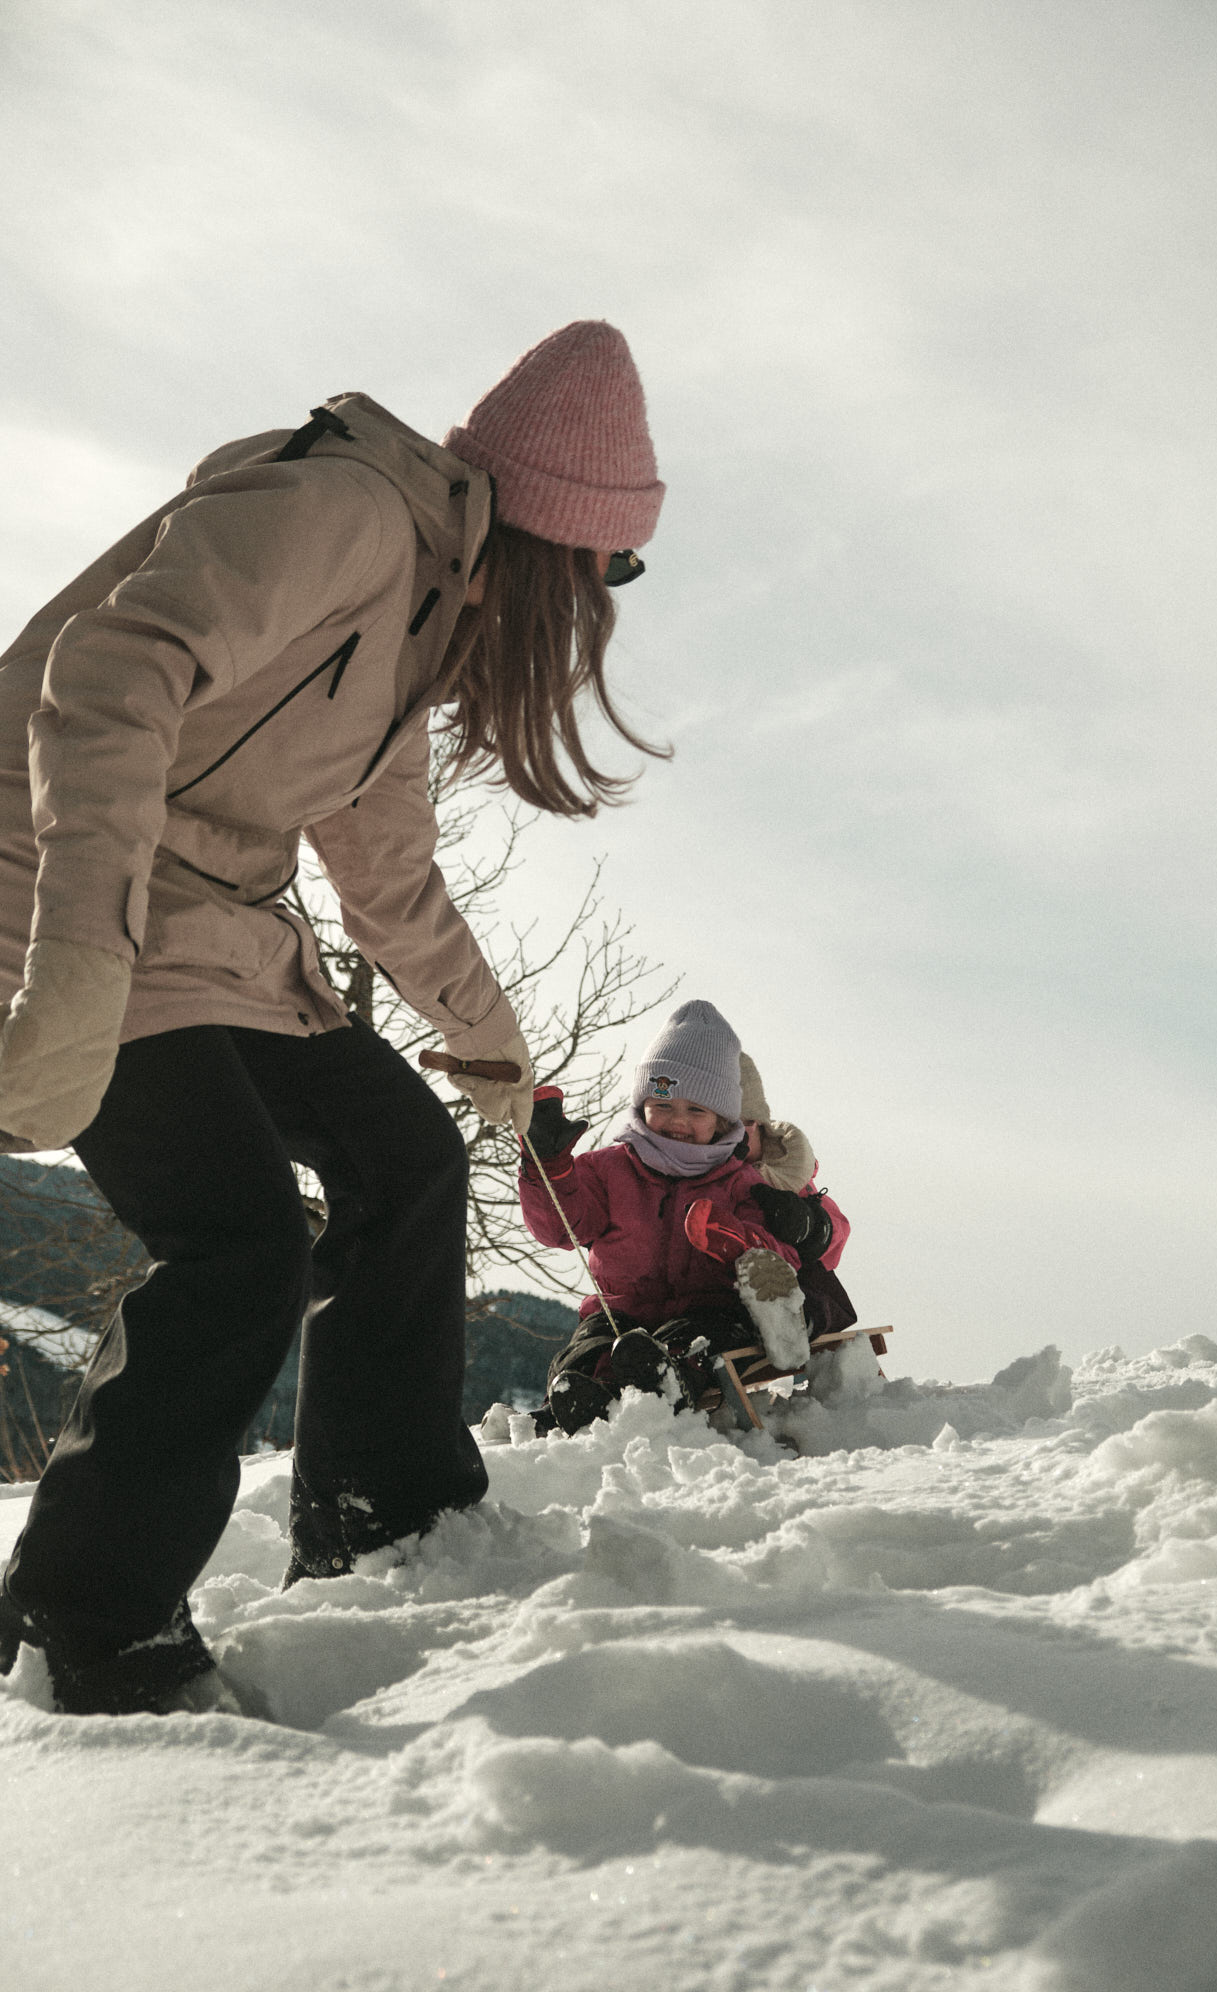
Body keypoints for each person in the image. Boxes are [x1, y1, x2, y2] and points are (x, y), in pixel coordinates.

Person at [0, 320, 666, 1715]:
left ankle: (389, 1515)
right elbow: (107, 678)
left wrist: (493, 1042)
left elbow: (389, 874)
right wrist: (71, 964)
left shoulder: (421, 621)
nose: (610, 600)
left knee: (406, 1157)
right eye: (616, 569)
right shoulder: (342, 514)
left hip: (212, 928)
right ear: (564, 544)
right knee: (241, 1241)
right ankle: (85, 1631)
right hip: (49, 875)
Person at [515, 1000, 842, 1436]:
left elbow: (783, 1258)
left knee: (696, 1340)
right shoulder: (608, 1169)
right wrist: (548, 1168)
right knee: (591, 1345)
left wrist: (738, 1242)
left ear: (724, 1119)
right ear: (643, 1101)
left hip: (707, 1309)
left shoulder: (739, 1182)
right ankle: (578, 1397)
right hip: (622, 1312)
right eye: (664, 1105)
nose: (677, 1123)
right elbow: (559, 1227)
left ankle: (667, 1381)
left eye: (696, 1111)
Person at [736, 1050, 857, 1336]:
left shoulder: (785, 1164)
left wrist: (811, 1226)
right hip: (726, 1286)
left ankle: (800, 1321)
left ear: (761, 1123)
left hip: (790, 1281)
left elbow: (839, 1231)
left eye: (746, 1124)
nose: (735, 1137)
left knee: (812, 1280)